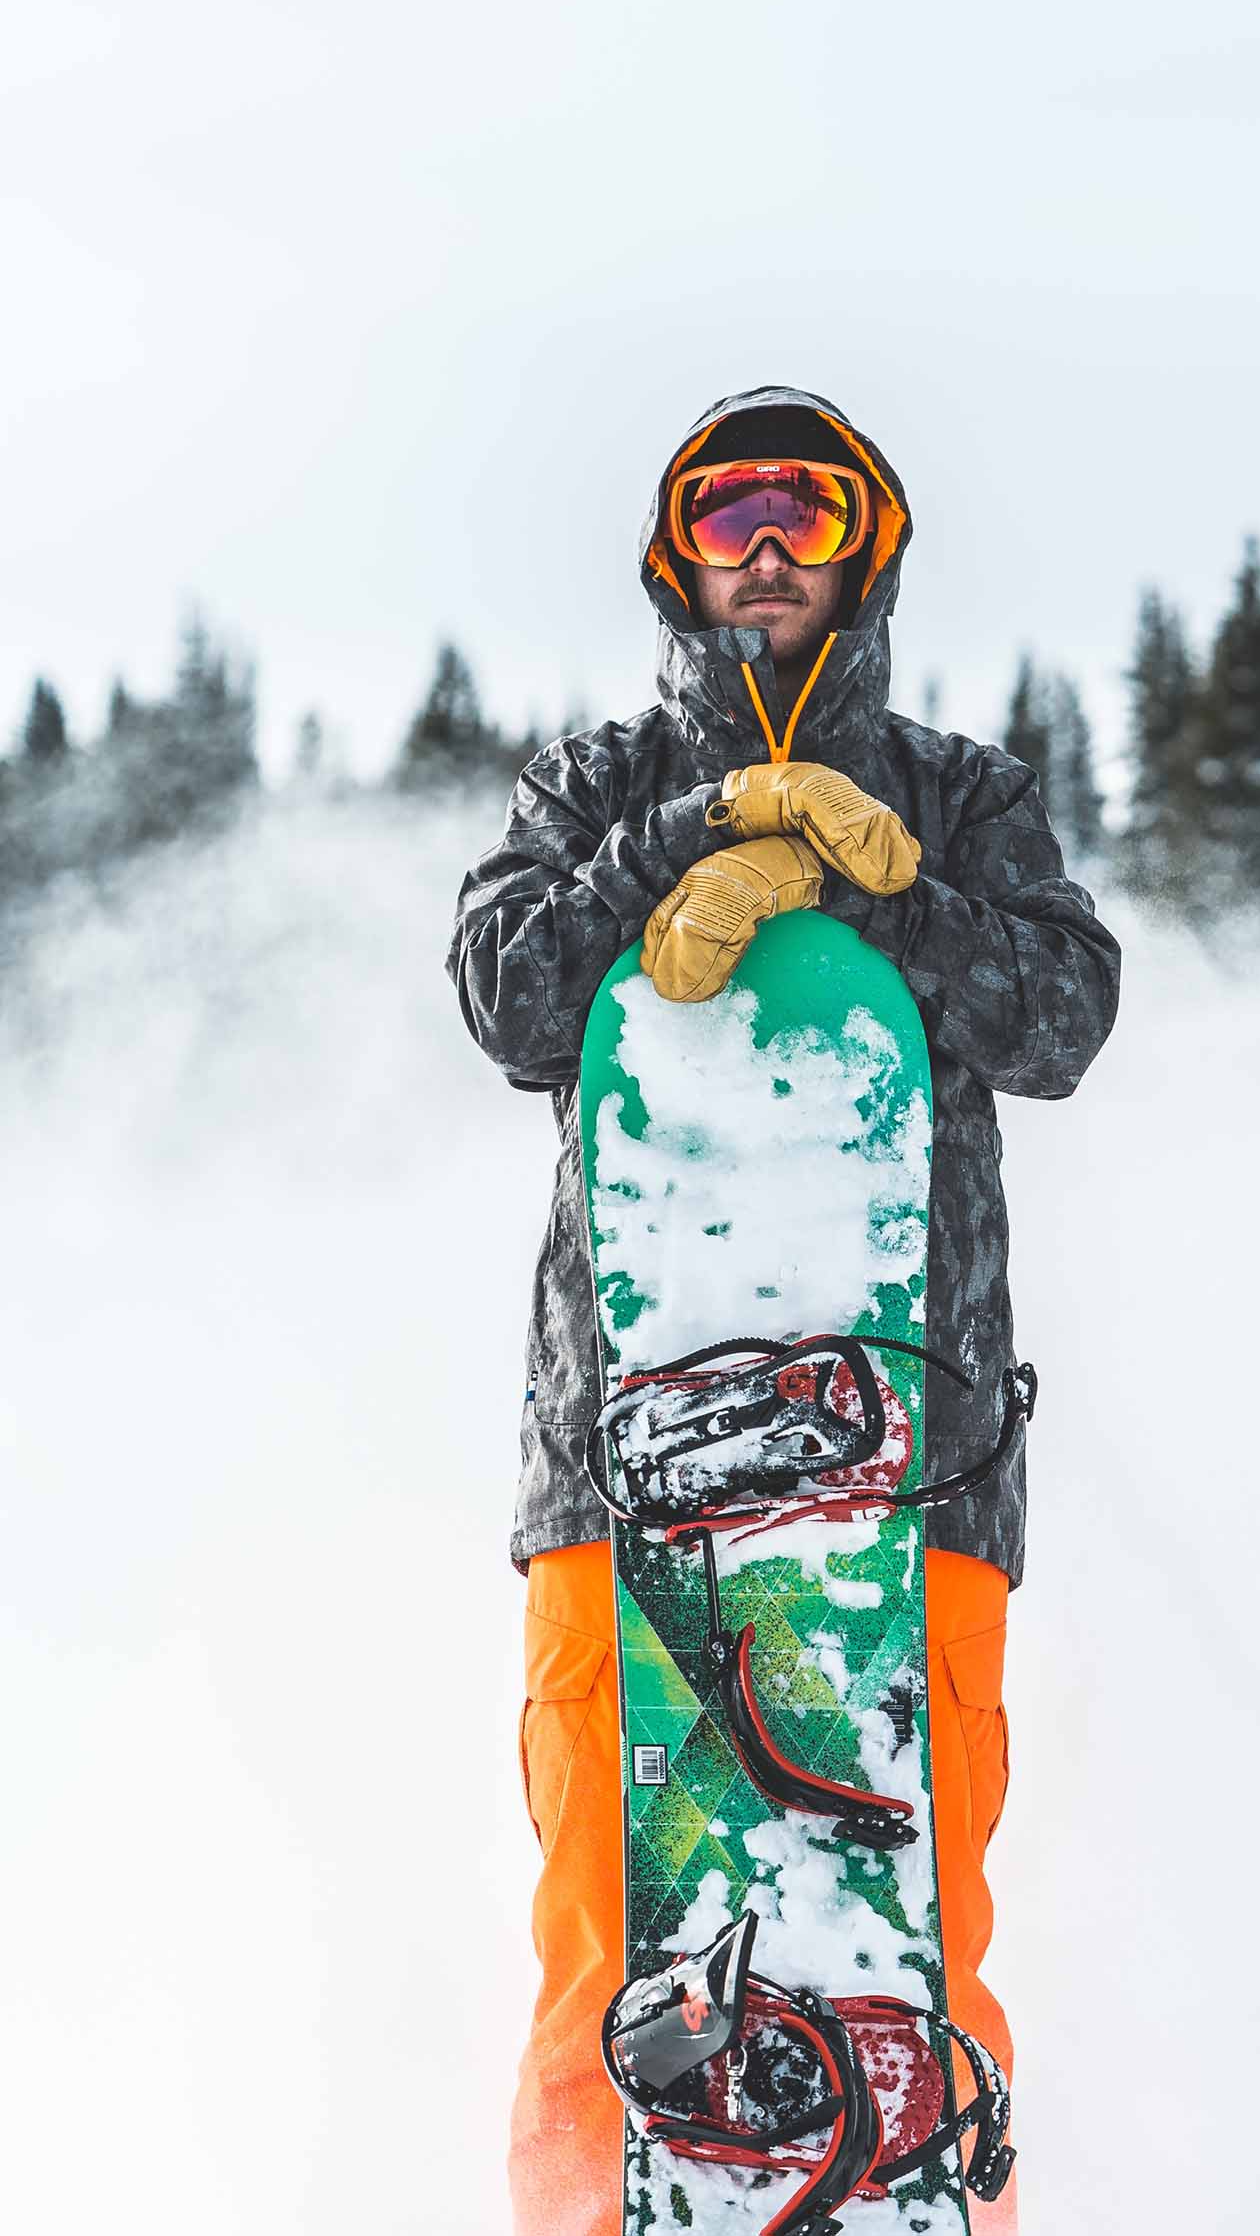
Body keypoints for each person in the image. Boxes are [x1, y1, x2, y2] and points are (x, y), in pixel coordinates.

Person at [446, 384, 1121, 2235]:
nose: (762, 547)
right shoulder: (590, 790)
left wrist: (880, 886)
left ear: (863, 548)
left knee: (910, 1952)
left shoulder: (962, 796)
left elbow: (1063, 1016)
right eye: (729, 513)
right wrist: (700, 832)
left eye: (802, 514)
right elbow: (511, 996)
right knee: (609, 1962)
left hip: (922, 1478)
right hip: (615, 1478)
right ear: (677, 555)